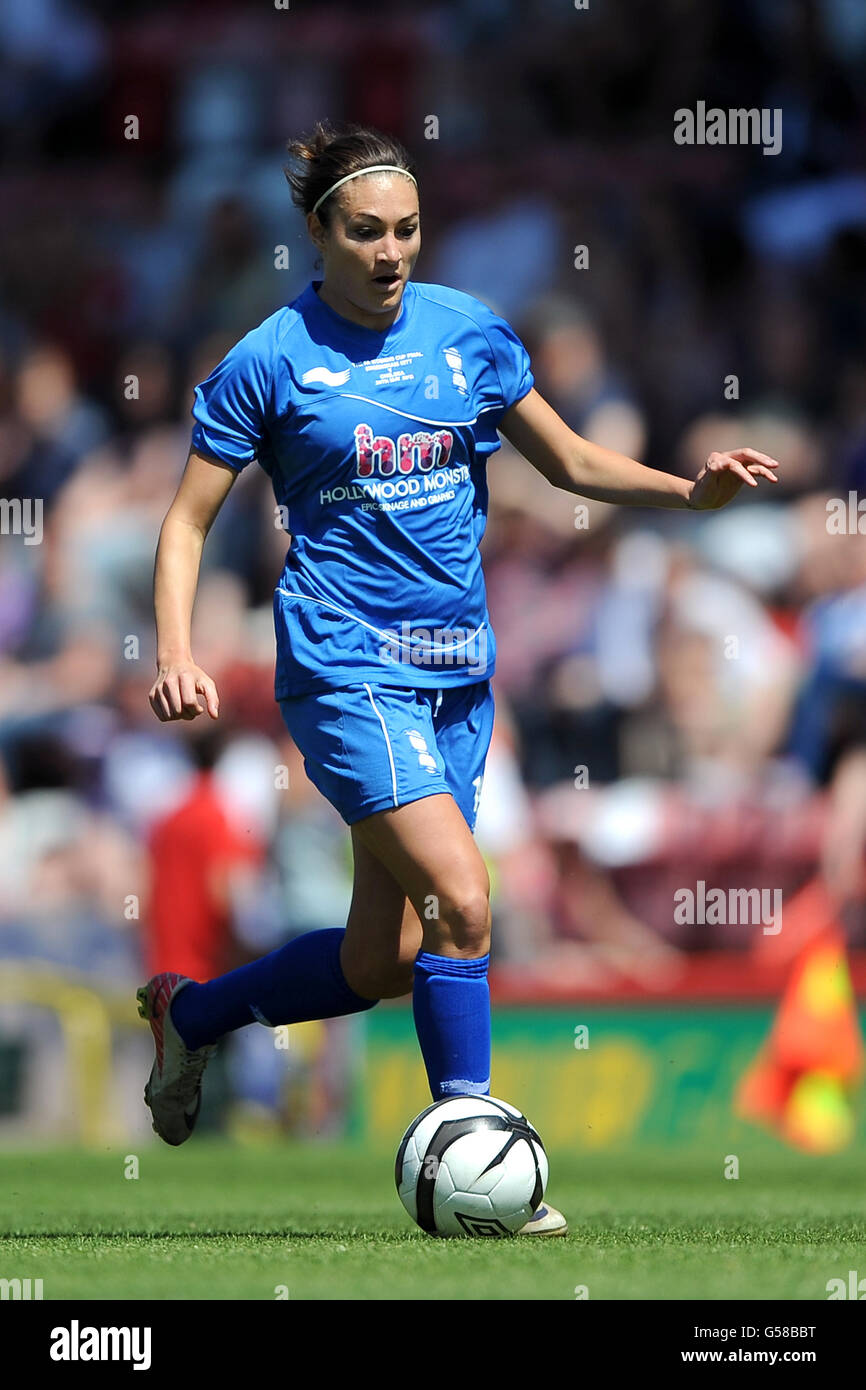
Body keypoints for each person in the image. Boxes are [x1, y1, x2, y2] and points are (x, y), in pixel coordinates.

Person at [137, 120, 779, 1237]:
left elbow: (570, 461)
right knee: (465, 899)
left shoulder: (469, 333)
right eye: (365, 232)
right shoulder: (270, 358)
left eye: (408, 230)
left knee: (378, 959)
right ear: (317, 234)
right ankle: (474, 1156)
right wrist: (180, 652)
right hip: (345, 673)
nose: (390, 252)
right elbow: (188, 521)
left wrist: (688, 492)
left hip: (457, 682)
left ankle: (193, 1016)